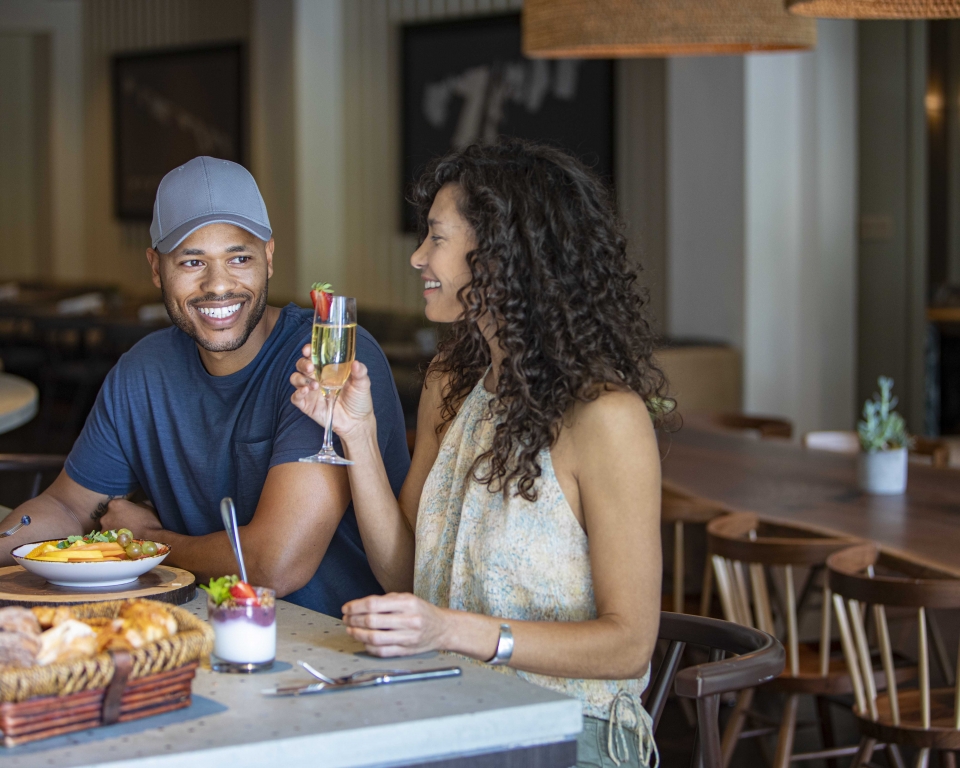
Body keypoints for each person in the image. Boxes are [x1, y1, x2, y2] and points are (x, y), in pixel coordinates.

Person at [290, 140, 666, 767]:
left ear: (499, 255)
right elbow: (405, 572)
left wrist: (452, 631)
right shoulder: (451, 383)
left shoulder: (606, 417)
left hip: (571, 733)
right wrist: (356, 434)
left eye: (436, 238)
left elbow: (628, 645)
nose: (418, 256)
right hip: (450, 712)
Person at [2, 156, 410, 617]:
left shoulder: (325, 356)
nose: (218, 285)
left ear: (269, 257)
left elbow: (276, 564)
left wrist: (150, 542)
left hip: (337, 642)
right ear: (156, 268)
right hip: (200, 627)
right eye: (192, 261)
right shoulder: (143, 370)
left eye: (239, 258)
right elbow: (66, 506)